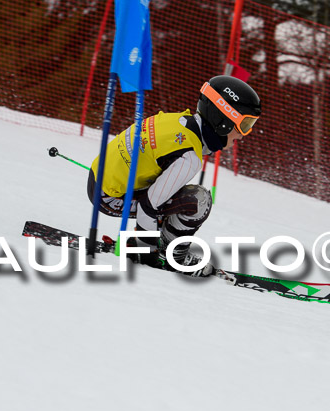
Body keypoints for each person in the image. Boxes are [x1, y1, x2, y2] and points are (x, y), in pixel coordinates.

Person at [87, 75, 262, 277]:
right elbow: (148, 206)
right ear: (223, 121)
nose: (243, 135)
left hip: (97, 178)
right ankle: (173, 258)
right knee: (198, 201)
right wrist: (147, 253)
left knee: (171, 193)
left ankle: (153, 243)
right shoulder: (189, 156)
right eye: (246, 125)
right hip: (110, 197)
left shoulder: (179, 121)